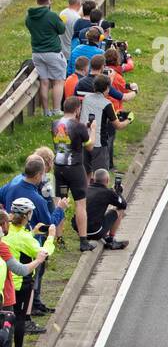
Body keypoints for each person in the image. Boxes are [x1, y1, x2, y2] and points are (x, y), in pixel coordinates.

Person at [1, 199, 52, 347]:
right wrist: (50, 238)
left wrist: (32, 233)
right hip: (22, 282)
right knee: (20, 319)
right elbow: (44, 253)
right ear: (27, 215)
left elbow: (18, 244)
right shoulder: (23, 236)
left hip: (7, 284)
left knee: (7, 320)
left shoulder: (12, 232)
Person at [52, 98, 92, 248]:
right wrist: (91, 130)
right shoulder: (79, 126)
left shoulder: (55, 124)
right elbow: (89, 146)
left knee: (61, 202)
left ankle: (59, 239)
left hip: (59, 168)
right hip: (75, 169)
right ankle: (83, 241)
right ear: (77, 110)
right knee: (80, 204)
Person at [25, 0, 66, 116]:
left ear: (37, 1)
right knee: (58, 81)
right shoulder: (52, 15)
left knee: (44, 81)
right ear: (48, 0)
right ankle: (56, 110)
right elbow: (61, 30)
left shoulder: (29, 17)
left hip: (37, 53)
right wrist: (61, 21)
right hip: (52, 52)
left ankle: (46, 111)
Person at [84, 168, 128, 249]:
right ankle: (111, 239)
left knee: (98, 210)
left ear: (93, 179)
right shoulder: (108, 193)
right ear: (107, 180)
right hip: (95, 232)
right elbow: (123, 205)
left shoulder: (86, 189)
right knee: (119, 210)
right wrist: (118, 193)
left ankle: (105, 235)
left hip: (81, 231)